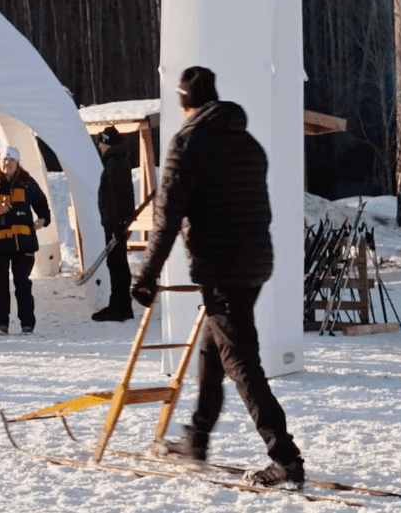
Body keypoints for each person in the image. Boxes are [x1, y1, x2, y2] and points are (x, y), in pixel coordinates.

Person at [130, 66, 305, 490]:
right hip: (254, 262)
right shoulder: (247, 142)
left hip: (223, 268)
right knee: (214, 353)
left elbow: (167, 218)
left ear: (184, 102)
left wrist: (146, 274)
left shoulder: (188, 143)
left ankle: (285, 457)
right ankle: (197, 439)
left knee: (240, 362)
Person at [0, 146, 51, 335]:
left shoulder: (27, 183)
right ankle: (1, 324)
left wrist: (43, 219)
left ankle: (27, 324)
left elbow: (42, 204)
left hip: (23, 243)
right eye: (4, 160)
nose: (7, 163)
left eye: (11, 160)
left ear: (17, 163)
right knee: (0, 285)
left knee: (23, 283)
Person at [92, 125, 137, 322]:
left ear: (107, 143)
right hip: (115, 221)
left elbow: (118, 196)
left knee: (117, 263)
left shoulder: (114, 164)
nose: (99, 147)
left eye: (100, 143)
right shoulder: (116, 162)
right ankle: (118, 304)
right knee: (116, 262)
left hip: (115, 223)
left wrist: (119, 223)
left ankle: (121, 306)